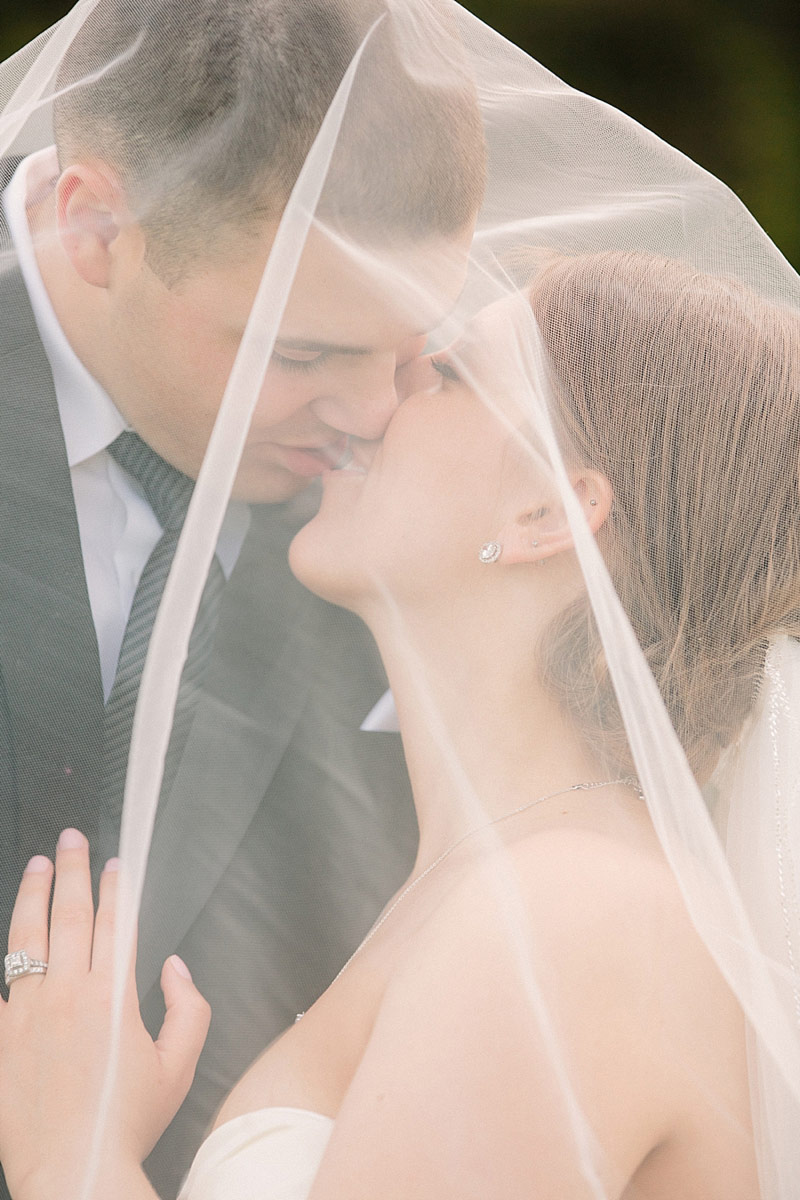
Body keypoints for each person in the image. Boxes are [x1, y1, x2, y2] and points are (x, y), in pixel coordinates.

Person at [1, 246, 797, 1199]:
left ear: (550, 510)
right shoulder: (499, 886)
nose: (374, 408)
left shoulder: (565, 919)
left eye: (448, 378)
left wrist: (72, 1162)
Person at [0, 0, 484, 1194]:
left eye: (402, 342)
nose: (377, 413)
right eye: (303, 352)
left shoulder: (429, 502)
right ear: (97, 226)